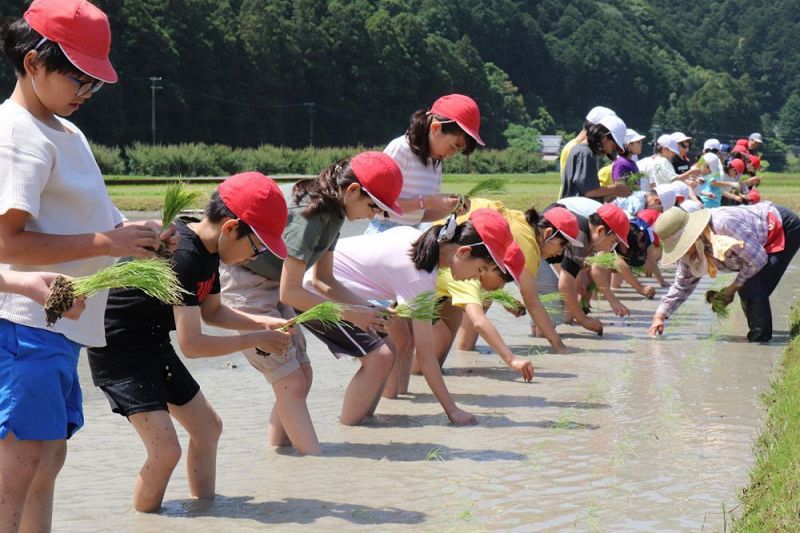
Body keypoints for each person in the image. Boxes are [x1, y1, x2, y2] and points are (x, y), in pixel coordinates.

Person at [0, 2, 169, 530]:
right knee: (19, 465)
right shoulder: (18, 135)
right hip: (23, 324)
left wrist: (136, 238)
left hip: (62, 324)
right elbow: (7, 243)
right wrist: (107, 239)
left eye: (94, 82)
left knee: (47, 459)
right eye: (77, 78)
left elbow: (95, 216)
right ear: (33, 63)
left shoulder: (64, 133)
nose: (86, 93)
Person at [87, 174, 294, 513]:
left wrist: (262, 321)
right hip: (119, 351)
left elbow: (211, 311)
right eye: (256, 246)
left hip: (151, 341)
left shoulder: (209, 253)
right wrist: (257, 338)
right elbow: (193, 345)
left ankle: (205, 512)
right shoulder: (183, 256)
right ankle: (146, 521)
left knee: (208, 428)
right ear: (231, 228)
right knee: (165, 451)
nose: (254, 257)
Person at [220, 152, 404, 454]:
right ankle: (314, 462)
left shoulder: (332, 215)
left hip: (274, 284)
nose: (373, 215)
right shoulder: (312, 213)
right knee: (290, 379)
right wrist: (353, 315)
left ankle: (281, 457)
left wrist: (369, 308)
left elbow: (324, 281)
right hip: (248, 283)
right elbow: (290, 293)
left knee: (302, 376)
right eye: (373, 206)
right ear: (353, 190)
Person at [308, 209, 524, 425]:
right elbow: (425, 355)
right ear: (464, 252)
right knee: (379, 357)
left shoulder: (419, 241)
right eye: (480, 269)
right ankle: (350, 432)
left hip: (330, 285)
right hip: (314, 292)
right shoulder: (420, 276)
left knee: (389, 349)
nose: (475, 278)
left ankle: (365, 422)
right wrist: (452, 410)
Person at [430, 203, 583, 376]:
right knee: (445, 334)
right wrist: (558, 346)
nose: (560, 252)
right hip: (451, 252)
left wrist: (504, 298)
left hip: (450, 246)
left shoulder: (519, 223)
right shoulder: (527, 247)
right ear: (548, 234)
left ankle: (448, 364)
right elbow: (532, 302)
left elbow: (494, 278)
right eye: (562, 245)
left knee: (449, 334)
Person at [649, 204, 800, 342]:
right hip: (756, 247)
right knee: (748, 285)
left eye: (682, 246)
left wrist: (731, 288)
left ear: (692, 236)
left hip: (780, 228)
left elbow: (757, 259)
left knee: (751, 287)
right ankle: (757, 334)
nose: (683, 252)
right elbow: (681, 286)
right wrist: (660, 316)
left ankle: (760, 341)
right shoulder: (692, 253)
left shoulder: (724, 224)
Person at [365, 94, 483, 233]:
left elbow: (422, 216)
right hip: (383, 233)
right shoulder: (401, 149)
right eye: (453, 146)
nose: (450, 155)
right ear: (435, 128)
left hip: (411, 234)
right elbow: (376, 203)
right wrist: (428, 202)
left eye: (458, 151)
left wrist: (450, 208)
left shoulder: (435, 162)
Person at [548, 198, 631, 330]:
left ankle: (550, 337)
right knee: (552, 293)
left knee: (563, 293)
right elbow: (565, 286)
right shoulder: (581, 237)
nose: (611, 248)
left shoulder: (585, 234)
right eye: (613, 242)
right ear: (600, 230)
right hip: (530, 251)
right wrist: (583, 320)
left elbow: (574, 270)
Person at [560, 114, 631, 200]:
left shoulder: (580, 150)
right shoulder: (585, 153)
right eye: (612, 146)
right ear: (604, 137)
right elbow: (589, 191)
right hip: (577, 211)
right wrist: (615, 188)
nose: (609, 151)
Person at [697, 139, 740, 209]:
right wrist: (731, 184)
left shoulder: (703, 161)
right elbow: (713, 182)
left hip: (708, 201)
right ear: (718, 151)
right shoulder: (714, 162)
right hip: (708, 202)